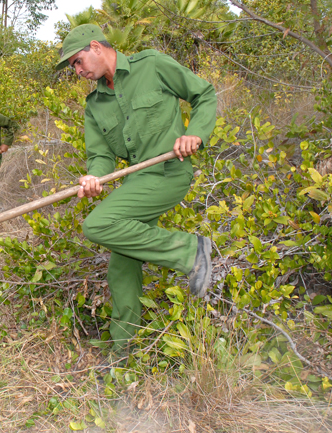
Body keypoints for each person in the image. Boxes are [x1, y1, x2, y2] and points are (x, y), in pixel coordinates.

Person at [56, 24, 217, 356]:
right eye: (73, 66)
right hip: (136, 182)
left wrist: (195, 134)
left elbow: (204, 94)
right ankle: (123, 347)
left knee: (97, 225)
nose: (78, 70)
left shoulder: (152, 65)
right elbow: (100, 155)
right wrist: (93, 177)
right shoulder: (94, 105)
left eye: (77, 61)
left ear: (95, 46)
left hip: (169, 172)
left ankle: (191, 252)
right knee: (122, 264)